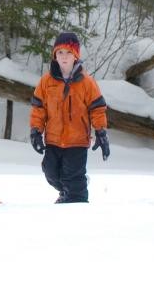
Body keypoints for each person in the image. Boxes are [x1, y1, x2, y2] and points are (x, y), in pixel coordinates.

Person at [29, 31, 109, 203]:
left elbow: (97, 108)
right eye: (60, 52)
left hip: (77, 140)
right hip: (53, 139)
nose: (64, 57)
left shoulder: (87, 83)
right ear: (54, 56)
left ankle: (77, 200)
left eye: (68, 52)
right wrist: (36, 131)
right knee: (50, 172)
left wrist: (101, 132)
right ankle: (68, 191)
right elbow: (38, 108)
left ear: (76, 56)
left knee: (73, 177)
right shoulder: (46, 82)